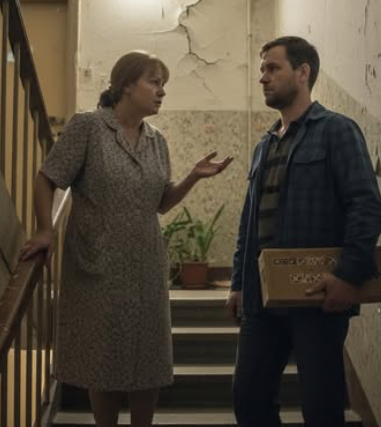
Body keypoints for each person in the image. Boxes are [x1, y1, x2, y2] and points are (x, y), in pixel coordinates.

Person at [20, 50, 232, 427]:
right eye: (154, 82)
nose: (161, 91)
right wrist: (44, 230)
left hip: (146, 265)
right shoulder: (88, 126)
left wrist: (192, 178)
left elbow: (161, 203)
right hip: (97, 264)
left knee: (148, 358)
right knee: (104, 359)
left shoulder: (156, 141)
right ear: (126, 85)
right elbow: (47, 177)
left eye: (163, 84)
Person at [225, 36, 381, 427]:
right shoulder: (264, 145)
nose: (263, 77)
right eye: (262, 69)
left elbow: (365, 206)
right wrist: (238, 283)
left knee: (321, 407)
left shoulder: (337, 130)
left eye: (272, 68)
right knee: (249, 400)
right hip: (261, 298)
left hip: (318, 295)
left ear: (303, 72)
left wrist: (348, 275)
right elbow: (249, 221)